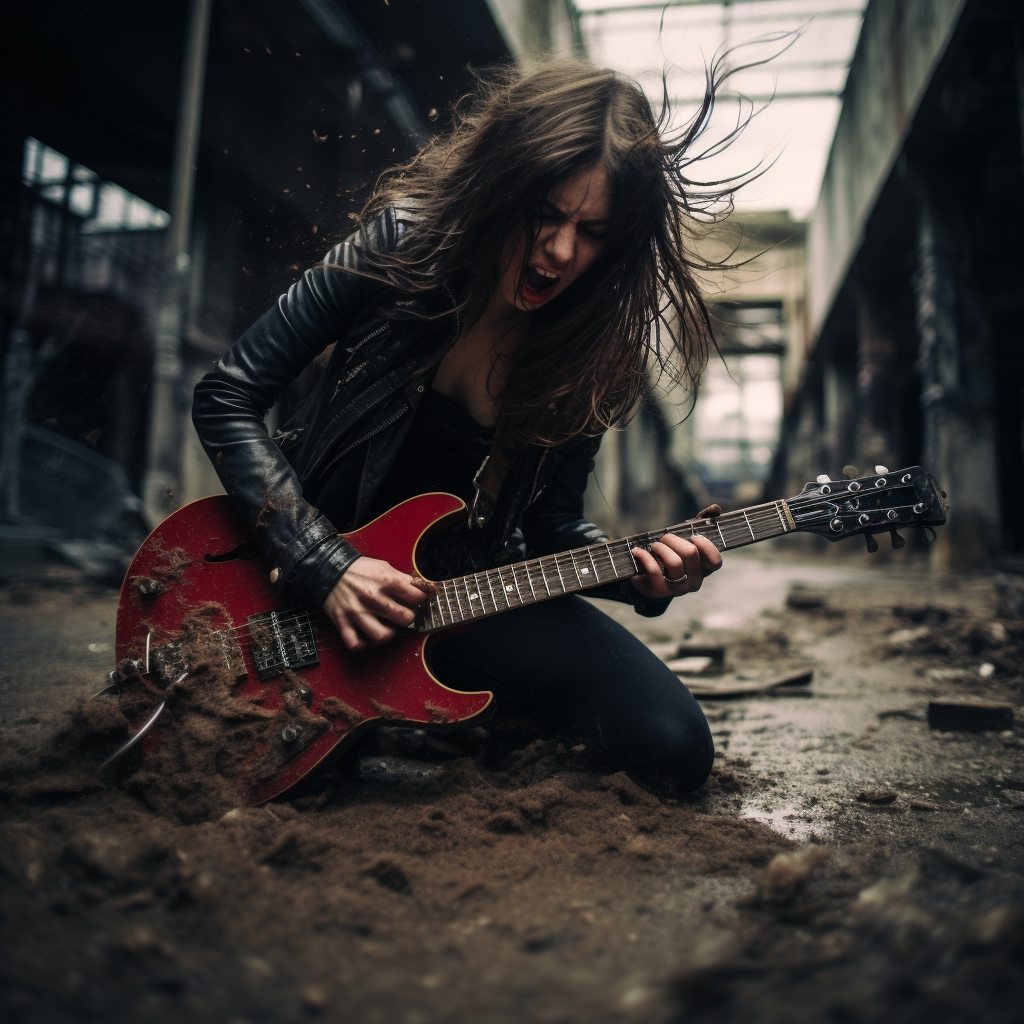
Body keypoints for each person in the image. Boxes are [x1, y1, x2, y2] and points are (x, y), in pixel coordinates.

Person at [192, 60, 728, 794]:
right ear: (500, 186)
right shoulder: (400, 246)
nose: (561, 251)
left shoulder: (597, 354)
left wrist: (648, 576)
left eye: (592, 231)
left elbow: (553, 531)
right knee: (269, 773)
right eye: (545, 212)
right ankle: (391, 715)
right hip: (314, 597)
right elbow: (227, 394)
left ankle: (443, 713)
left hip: (466, 600)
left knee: (672, 748)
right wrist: (324, 562)